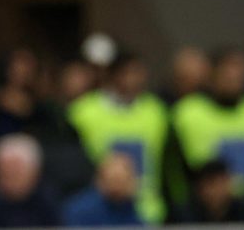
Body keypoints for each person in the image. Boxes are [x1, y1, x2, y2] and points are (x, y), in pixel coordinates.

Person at [168, 47, 244, 221]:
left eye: (238, 77)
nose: (233, 81)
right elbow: (174, 171)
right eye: (227, 76)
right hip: (196, 214)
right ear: (211, 77)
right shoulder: (186, 113)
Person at [67, 52, 168, 222]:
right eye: (127, 73)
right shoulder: (83, 112)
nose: (133, 80)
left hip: (148, 211)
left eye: (138, 73)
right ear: (112, 75)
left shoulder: (156, 112)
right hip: (100, 210)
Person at [0, 133, 61, 228]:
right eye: (5, 173)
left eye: (16, 172)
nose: (10, 176)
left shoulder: (48, 201)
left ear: (35, 172)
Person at [61, 152, 142, 227]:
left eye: (122, 180)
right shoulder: (80, 211)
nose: (117, 186)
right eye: (113, 179)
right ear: (101, 180)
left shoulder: (132, 212)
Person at [168, 159, 244, 223]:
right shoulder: (182, 216)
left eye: (223, 182)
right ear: (201, 188)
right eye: (213, 184)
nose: (219, 190)